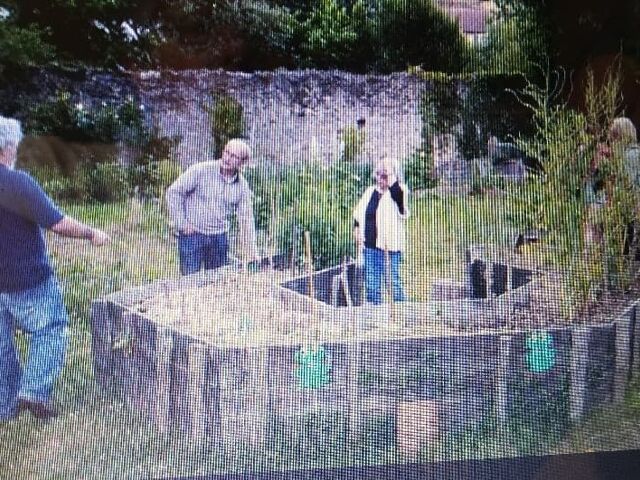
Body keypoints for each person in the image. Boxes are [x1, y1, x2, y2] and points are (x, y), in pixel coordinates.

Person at [0, 116, 110, 421]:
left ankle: (5, 407)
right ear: (7, 148)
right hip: (27, 279)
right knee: (51, 329)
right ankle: (33, 391)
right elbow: (58, 224)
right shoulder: (16, 183)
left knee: (1, 347)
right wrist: (91, 233)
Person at [165, 138, 258, 275]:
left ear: (242, 162)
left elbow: (246, 218)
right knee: (190, 283)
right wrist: (182, 224)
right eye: (227, 152)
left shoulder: (242, 186)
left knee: (216, 284)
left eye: (234, 156)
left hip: (218, 239)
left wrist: (251, 251)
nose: (227, 158)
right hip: (193, 236)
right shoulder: (201, 170)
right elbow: (174, 192)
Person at [352, 157, 409, 305]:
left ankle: (402, 315)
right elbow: (358, 214)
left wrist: (390, 176)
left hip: (390, 248)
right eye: (378, 174)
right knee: (372, 286)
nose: (379, 179)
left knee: (393, 284)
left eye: (384, 175)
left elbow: (403, 210)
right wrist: (357, 229)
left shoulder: (399, 191)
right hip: (370, 247)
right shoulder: (370, 191)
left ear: (392, 176)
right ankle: (376, 318)